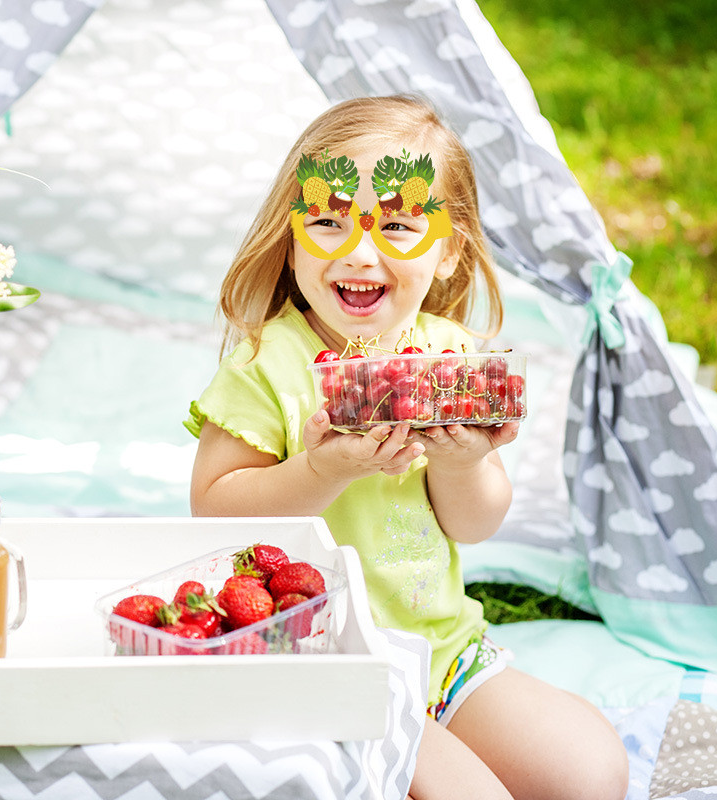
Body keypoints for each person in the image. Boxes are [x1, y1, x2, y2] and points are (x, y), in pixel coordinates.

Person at [186, 94, 629, 800]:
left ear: (449, 248)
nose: (359, 251)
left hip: (443, 654)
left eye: (397, 225)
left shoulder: (448, 359)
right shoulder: (265, 364)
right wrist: (320, 469)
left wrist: (465, 461)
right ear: (291, 235)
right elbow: (215, 513)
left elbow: (476, 524)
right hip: (329, 660)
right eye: (327, 221)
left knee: (592, 773)